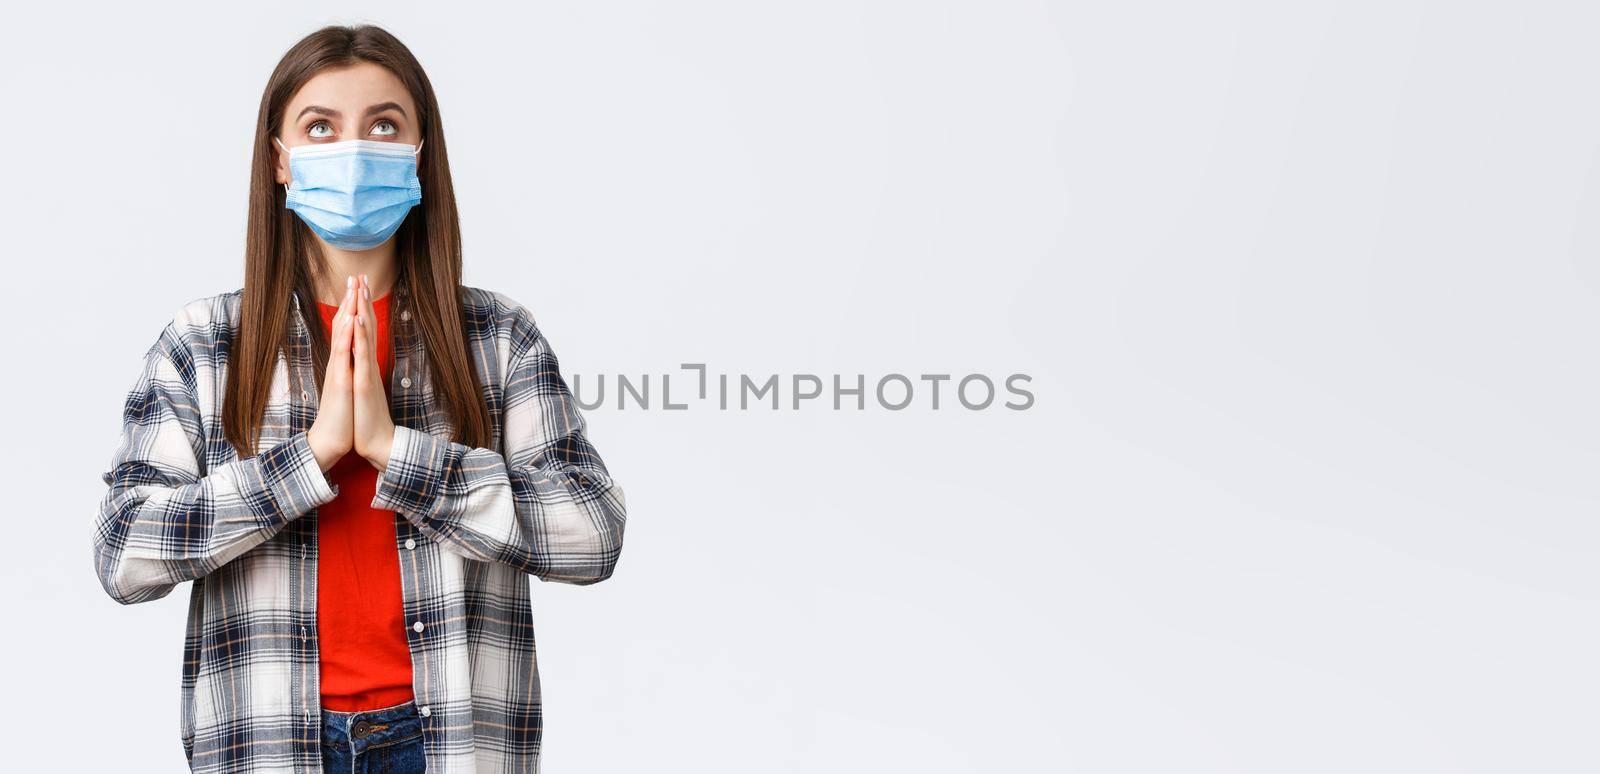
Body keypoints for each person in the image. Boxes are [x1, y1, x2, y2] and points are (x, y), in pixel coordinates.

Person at [90, 23, 628, 773]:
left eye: (383, 124)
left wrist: (396, 452)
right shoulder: (205, 346)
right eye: (320, 127)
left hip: (453, 743)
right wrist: (308, 459)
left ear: (418, 153)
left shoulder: (497, 338)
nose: (354, 149)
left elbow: (594, 532)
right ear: (279, 159)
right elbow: (123, 553)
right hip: (271, 739)